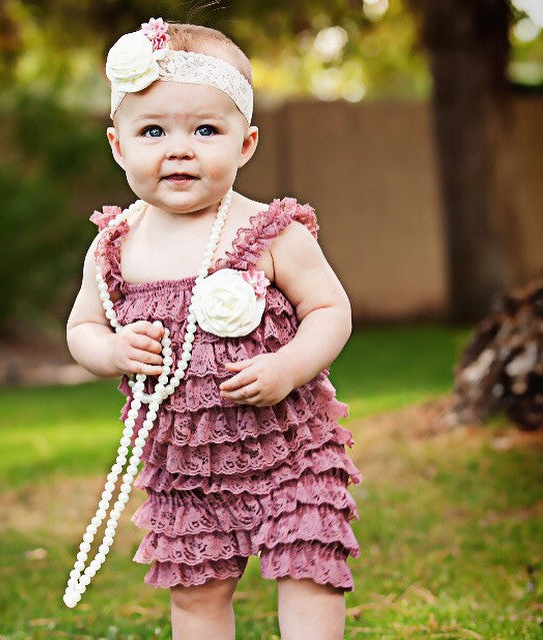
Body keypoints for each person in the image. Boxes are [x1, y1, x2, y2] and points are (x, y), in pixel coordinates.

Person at [64, 17, 362, 640]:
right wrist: (114, 349)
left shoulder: (273, 232)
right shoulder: (116, 246)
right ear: (118, 146)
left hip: (289, 447)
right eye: (153, 131)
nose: (179, 149)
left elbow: (330, 311)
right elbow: (82, 329)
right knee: (197, 595)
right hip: (184, 462)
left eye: (205, 130)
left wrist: (288, 367)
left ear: (245, 143)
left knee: (310, 567)